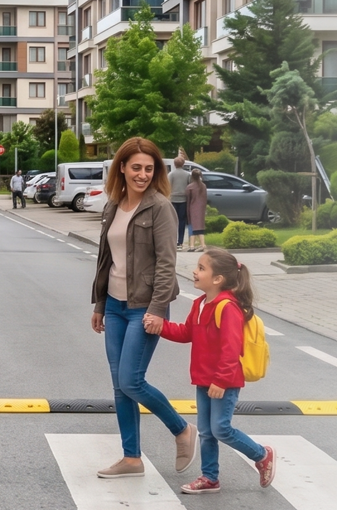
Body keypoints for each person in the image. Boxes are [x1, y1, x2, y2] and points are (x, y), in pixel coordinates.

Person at [90, 137, 197, 479]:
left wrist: (156, 308)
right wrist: (100, 304)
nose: (142, 175)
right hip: (116, 307)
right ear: (121, 167)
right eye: (136, 167)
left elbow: (167, 263)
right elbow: (106, 260)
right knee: (119, 385)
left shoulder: (160, 208)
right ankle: (131, 458)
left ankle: (181, 429)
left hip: (144, 308)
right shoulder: (112, 206)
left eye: (149, 169)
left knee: (131, 381)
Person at [160, 247, 276, 493]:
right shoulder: (201, 303)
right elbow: (186, 333)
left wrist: (221, 380)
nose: (195, 271)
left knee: (220, 428)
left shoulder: (228, 307)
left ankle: (261, 454)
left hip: (224, 381)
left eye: (201, 268)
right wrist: (161, 327)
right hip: (204, 379)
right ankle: (209, 477)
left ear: (217, 279)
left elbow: (231, 348)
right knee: (206, 431)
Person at [166, 148, 192, 250]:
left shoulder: (171, 174)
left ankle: (172, 240)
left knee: (172, 221)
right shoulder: (187, 175)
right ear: (183, 164)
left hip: (172, 200)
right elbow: (189, 186)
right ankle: (180, 242)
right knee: (181, 221)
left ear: (175, 164)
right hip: (183, 200)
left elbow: (167, 187)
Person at [185, 166, 208, 252]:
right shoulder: (203, 186)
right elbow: (205, 198)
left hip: (192, 208)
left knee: (192, 226)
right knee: (200, 227)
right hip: (201, 208)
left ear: (192, 177)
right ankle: (203, 245)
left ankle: (191, 245)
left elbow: (188, 199)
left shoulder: (189, 187)